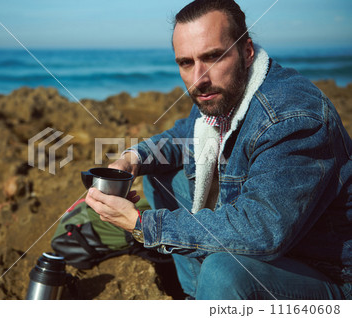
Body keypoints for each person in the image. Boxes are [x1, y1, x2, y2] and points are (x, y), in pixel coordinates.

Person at [85, 0, 351, 300]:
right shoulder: (222, 96)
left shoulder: (291, 117)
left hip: (328, 274)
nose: (199, 78)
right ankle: (197, 296)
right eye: (186, 62)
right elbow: (179, 137)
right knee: (158, 172)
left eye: (213, 57)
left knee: (223, 271)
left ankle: (212, 289)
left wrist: (141, 224)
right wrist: (130, 159)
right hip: (282, 248)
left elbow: (263, 230)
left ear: (246, 51)